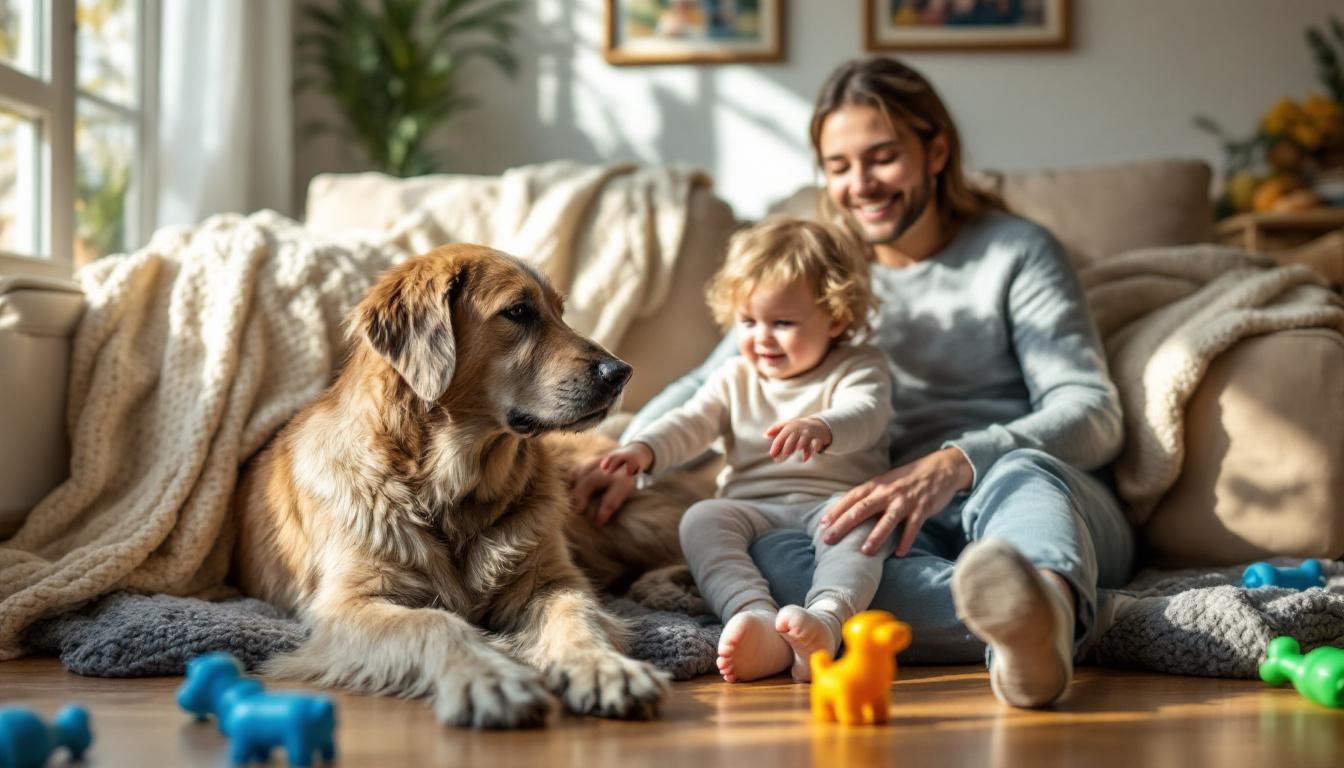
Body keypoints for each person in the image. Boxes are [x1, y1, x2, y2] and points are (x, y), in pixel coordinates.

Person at [571, 56, 1134, 708]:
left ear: (937, 151)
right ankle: (1044, 622)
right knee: (782, 565)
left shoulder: (1016, 252)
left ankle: (1053, 600)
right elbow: (712, 383)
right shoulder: (817, 271)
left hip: (1021, 494)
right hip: (885, 517)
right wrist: (626, 457)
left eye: (883, 157)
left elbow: (1092, 410)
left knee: (1023, 475)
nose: (860, 184)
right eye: (838, 167)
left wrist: (957, 462)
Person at [599, 217, 893, 683]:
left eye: (782, 323)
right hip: (751, 505)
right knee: (701, 518)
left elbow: (868, 412)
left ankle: (826, 620)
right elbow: (691, 423)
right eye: (748, 322)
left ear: (835, 317)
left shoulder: (858, 366)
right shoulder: (735, 376)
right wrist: (644, 450)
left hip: (834, 502)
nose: (762, 337)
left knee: (867, 527)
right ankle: (753, 616)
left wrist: (823, 425)